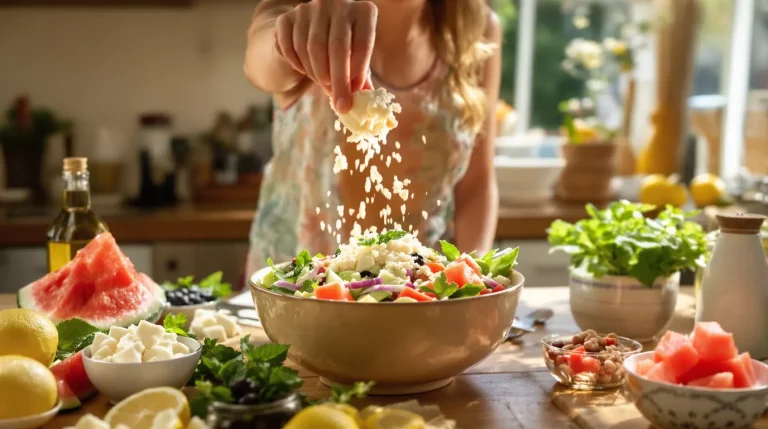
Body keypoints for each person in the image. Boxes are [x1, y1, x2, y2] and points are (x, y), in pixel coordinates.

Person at [244, 0, 501, 274]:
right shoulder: (309, 9)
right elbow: (262, 62)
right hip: (297, 288)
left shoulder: (476, 27)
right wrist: (290, 42)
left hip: (418, 290)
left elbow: (477, 183)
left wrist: (471, 276)